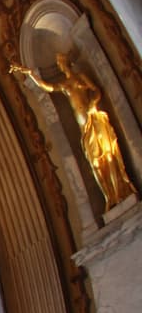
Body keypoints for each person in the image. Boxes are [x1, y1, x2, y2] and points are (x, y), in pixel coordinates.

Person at [11, 55, 138, 210]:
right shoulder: (64, 84)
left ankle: (121, 191)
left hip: (94, 119)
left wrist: (93, 103)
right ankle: (110, 196)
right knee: (95, 163)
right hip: (84, 128)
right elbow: (48, 87)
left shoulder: (80, 77)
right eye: (59, 64)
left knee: (108, 154)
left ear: (67, 63)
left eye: (61, 63)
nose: (60, 66)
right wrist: (31, 73)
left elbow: (96, 90)